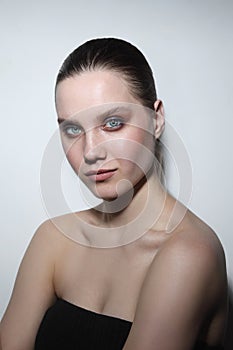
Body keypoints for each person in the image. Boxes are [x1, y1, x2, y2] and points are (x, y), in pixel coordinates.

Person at [0, 38, 228, 350]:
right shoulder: (52, 239)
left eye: (112, 123)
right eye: (72, 130)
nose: (91, 152)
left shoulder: (189, 254)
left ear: (156, 119)